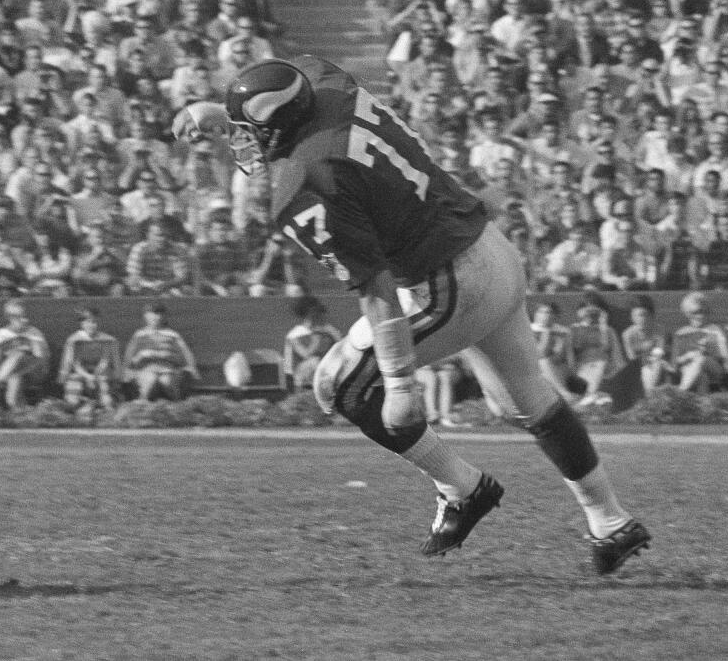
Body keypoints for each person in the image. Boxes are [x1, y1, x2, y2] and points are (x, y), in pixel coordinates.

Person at [173, 55, 649, 574]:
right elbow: (294, 81)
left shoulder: (306, 177)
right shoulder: (324, 83)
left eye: (246, 131)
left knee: (339, 385)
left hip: (446, 282)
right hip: (489, 246)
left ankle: (462, 487)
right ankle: (611, 521)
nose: (239, 141)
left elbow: (375, 289)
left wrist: (401, 384)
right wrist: (219, 111)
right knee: (528, 398)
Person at [123, 302, 200, 401]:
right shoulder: (139, 335)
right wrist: (137, 360)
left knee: (166, 382)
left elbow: (185, 353)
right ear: (145, 316)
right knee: (150, 381)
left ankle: (176, 404)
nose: (156, 317)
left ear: (164, 317)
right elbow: (129, 355)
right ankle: (142, 404)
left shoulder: (172, 334)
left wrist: (191, 367)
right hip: (146, 368)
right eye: (152, 314)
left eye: (159, 314)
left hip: (167, 369)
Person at [0, 298, 50, 409]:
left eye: (24, 315)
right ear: (8, 318)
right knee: (14, 379)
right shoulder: (1, 334)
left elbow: (42, 359)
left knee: (19, 354)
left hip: (34, 373)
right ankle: (18, 413)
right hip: (11, 375)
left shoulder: (34, 333)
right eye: (17, 317)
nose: (23, 320)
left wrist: (30, 342)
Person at [57, 306, 123, 412]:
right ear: (82, 324)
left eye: (94, 322)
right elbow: (75, 363)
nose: (91, 325)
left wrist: (95, 376)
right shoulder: (74, 340)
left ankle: (102, 405)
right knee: (72, 400)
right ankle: (81, 405)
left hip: (100, 372)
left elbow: (105, 361)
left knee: (107, 399)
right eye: (88, 322)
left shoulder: (106, 340)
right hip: (80, 372)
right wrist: (88, 377)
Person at [282, 295, 343, 392]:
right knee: (315, 361)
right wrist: (317, 338)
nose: (319, 315)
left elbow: (342, 348)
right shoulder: (295, 334)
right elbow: (306, 355)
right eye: (315, 312)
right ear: (309, 313)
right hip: (299, 377)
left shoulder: (327, 330)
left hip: (323, 373)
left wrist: (333, 333)